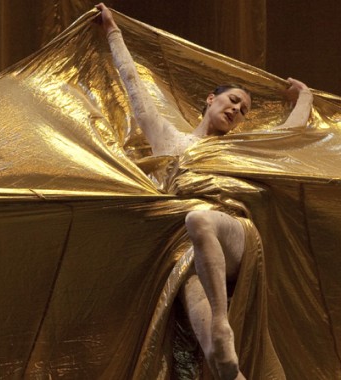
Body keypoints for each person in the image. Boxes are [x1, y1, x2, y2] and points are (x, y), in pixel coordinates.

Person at [94, 4, 313, 379]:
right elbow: (134, 88)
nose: (237, 110)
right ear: (211, 99)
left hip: (236, 236)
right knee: (196, 305)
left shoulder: (239, 149)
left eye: (243, 110)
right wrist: (113, 30)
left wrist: (305, 96)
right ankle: (228, 361)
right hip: (189, 250)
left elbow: (290, 135)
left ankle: (223, 325)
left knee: (200, 218)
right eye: (233, 101)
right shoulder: (170, 141)